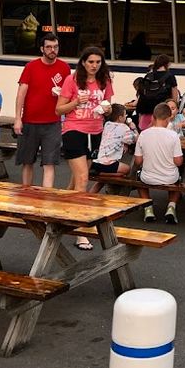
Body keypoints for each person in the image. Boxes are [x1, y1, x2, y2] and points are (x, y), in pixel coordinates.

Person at [56, 47, 114, 247]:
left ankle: (60, 213)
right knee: (83, 179)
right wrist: (75, 102)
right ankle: (81, 231)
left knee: (76, 181)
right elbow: (58, 109)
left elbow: (108, 106)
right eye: (91, 62)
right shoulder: (71, 80)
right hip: (74, 130)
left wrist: (107, 109)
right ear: (83, 62)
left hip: (95, 131)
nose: (94, 65)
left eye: (98, 62)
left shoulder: (105, 80)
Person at [14, 34, 70, 189]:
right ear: (42, 49)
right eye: (49, 47)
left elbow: (69, 93)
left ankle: (46, 200)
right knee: (27, 161)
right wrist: (18, 118)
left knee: (49, 163)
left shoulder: (64, 68)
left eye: (55, 47)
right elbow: (21, 93)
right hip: (29, 121)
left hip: (53, 122)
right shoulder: (31, 67)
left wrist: (60, 95)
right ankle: (26, 194)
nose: (53, 50)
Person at [133, 101, 183, 224]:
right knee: (178, 180)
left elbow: (138, 161)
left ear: (153, 117)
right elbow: (178, 162)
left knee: (139, 180)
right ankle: (171, 207)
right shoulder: (173, 136)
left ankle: (148, 208)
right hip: (170, 177)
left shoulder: (143, 134)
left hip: (148, 177)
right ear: (168, 118)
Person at [90, 103, 137, 180]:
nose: (126, 117)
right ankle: (104, 174)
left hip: (96, 162)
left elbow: (116, 137)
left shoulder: (107, 124)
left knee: (101, 182)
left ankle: (100, 175)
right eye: (125, 115)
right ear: (120, 118)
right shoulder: (124, 128)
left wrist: (125, 144)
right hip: (108, 165)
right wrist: (133, 127)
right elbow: (135, 139)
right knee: (128, 169)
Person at [135, 55, 179, 131]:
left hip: (146, 110)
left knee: (145, 133)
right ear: (167, 64)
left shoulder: (148, 76)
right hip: (161, 111)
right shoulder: (170, 76)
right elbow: (174, 96)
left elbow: (142, 94)